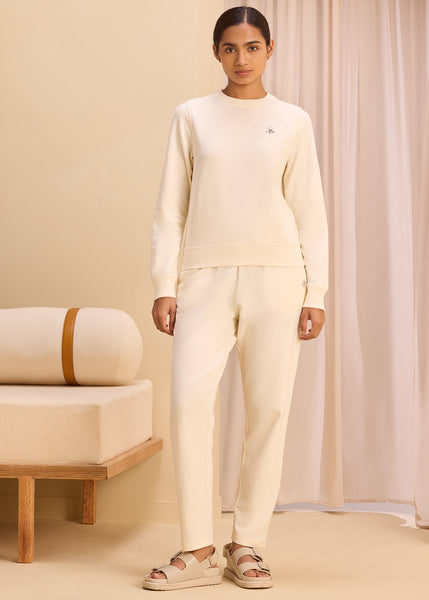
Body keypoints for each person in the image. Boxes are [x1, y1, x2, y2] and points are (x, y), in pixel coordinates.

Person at [143, 5, 328, 592]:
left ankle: (246, 544)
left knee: (269, 410)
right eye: (229, 48)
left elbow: (310, 212)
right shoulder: (191, 116)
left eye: (251, 47)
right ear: (216, 52)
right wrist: (165, 284)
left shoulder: (293, 121)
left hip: (279, 277)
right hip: (203, 277)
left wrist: (316, 291)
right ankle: (197, 546)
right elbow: (169, 209)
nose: (241, 59)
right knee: (188, 404)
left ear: (270, 49)